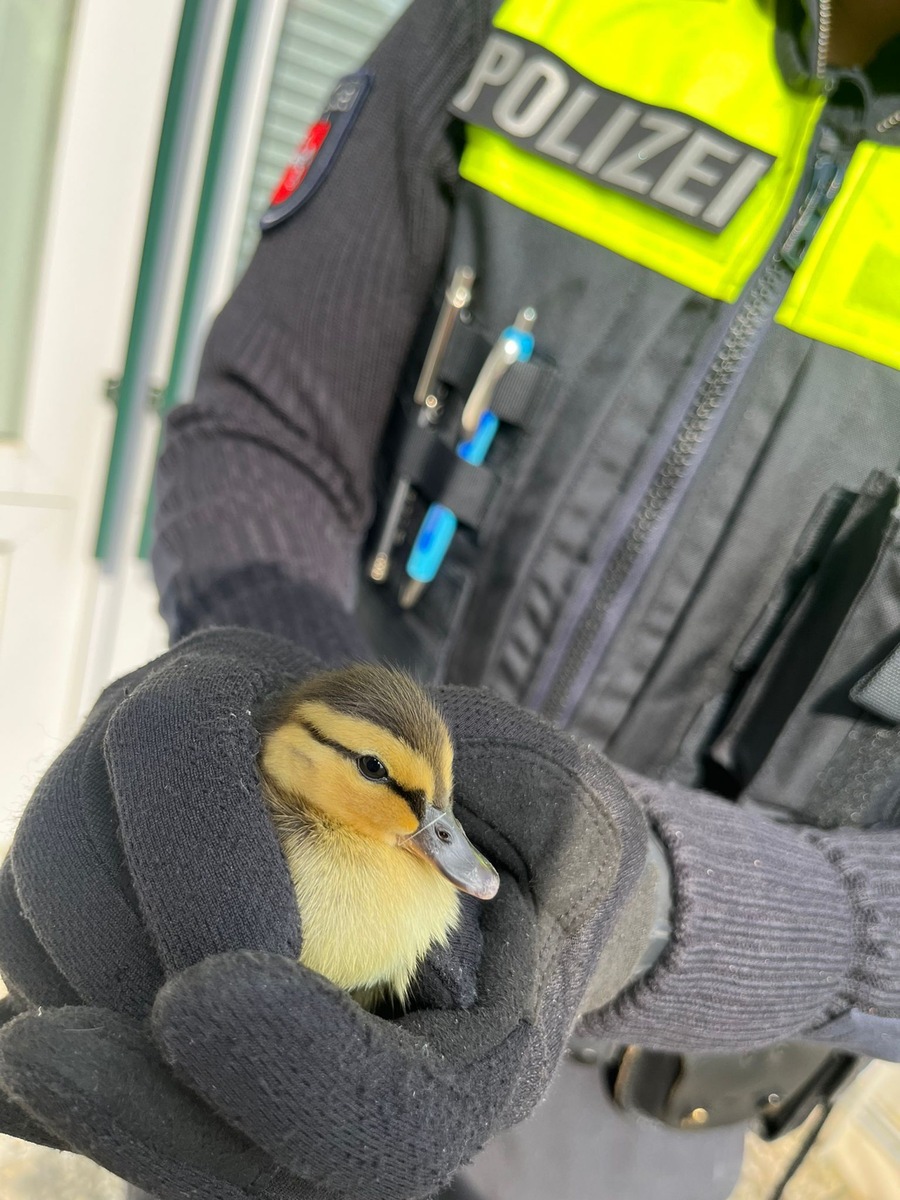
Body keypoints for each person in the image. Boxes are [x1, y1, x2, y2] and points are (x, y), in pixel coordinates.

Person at [0, 1, 899, 1198]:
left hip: (642, 1103)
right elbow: (272, 422)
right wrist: (263, 691)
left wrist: (654, 907)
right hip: (296, 961)